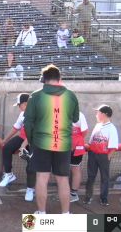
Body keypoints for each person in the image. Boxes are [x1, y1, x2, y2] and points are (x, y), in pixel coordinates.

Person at [24, 64, 80, 214]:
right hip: (63, 144)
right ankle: (66, 214)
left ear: (44, 79)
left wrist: (31, 142)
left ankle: (42, 213)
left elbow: (28, 122)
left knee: (42, 177)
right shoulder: (71, 95)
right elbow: (75, 118)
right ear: (59, 78)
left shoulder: (36, 96)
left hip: (41, 143)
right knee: (63, 179)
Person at [0, 94, 37, 202]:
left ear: (25, 104)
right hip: (23, 138)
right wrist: (5, 140)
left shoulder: (36, 114)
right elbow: (16, 128)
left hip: (35, 141)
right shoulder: (22, 114)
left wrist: (23, 146)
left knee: (31, 165)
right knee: (6, 148)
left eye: (19, 105)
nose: (18, 107)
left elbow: (33, 133)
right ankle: (9, 175)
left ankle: (30, 189)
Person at [84, 105, 119, 206]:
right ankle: (88, 197)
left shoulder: (111, 128)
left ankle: (103, 198)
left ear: (104, 114)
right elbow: (90, 143)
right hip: (93, 154)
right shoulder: (97, 125)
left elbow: (113, 146)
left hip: (104, 156)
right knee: (91, 176)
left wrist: (108, 157)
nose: (96, 114)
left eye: (98, 112)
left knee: (104, 178)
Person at [69, 111, 88, 203]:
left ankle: (73, 194)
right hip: (64, 147)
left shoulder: (79, 114)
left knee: (75, 169)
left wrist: (75, 142)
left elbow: (84, 132)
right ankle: (66, 192)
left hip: (76, 147)